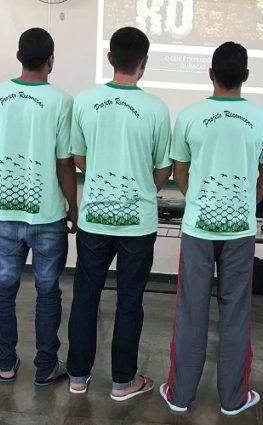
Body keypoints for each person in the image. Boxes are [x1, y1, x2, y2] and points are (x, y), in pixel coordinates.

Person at [160, 41, 263, 416]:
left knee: (190, 311)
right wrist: (247, 204)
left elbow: (179, 170)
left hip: (198, 230)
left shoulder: (190, 116)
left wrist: (198, 199)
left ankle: (179, 395)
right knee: (236, 313)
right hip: (240, 231)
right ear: (246, 75)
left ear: (210, 74)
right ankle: (233, 399)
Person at [67, 26, 171, 400]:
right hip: (138, 224)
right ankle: (123, 382)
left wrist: (98, 173)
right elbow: (164, 168)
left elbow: (78, 156)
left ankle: (78, 377)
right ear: (144, 62)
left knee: (85, 297)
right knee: (130, 301)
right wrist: (143, 186)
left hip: (93, 220)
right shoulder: (156, 108)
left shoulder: (85, 101)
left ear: (110, 58)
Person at [0, 28, 77, 386]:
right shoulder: (62, 101)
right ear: (51, 60)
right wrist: (72, 206)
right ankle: (45, 367)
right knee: (47, 292)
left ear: (19, 56)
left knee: (4, 288)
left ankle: (6, 365)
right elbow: (64, 162)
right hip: (49, 216)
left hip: (8, 213)